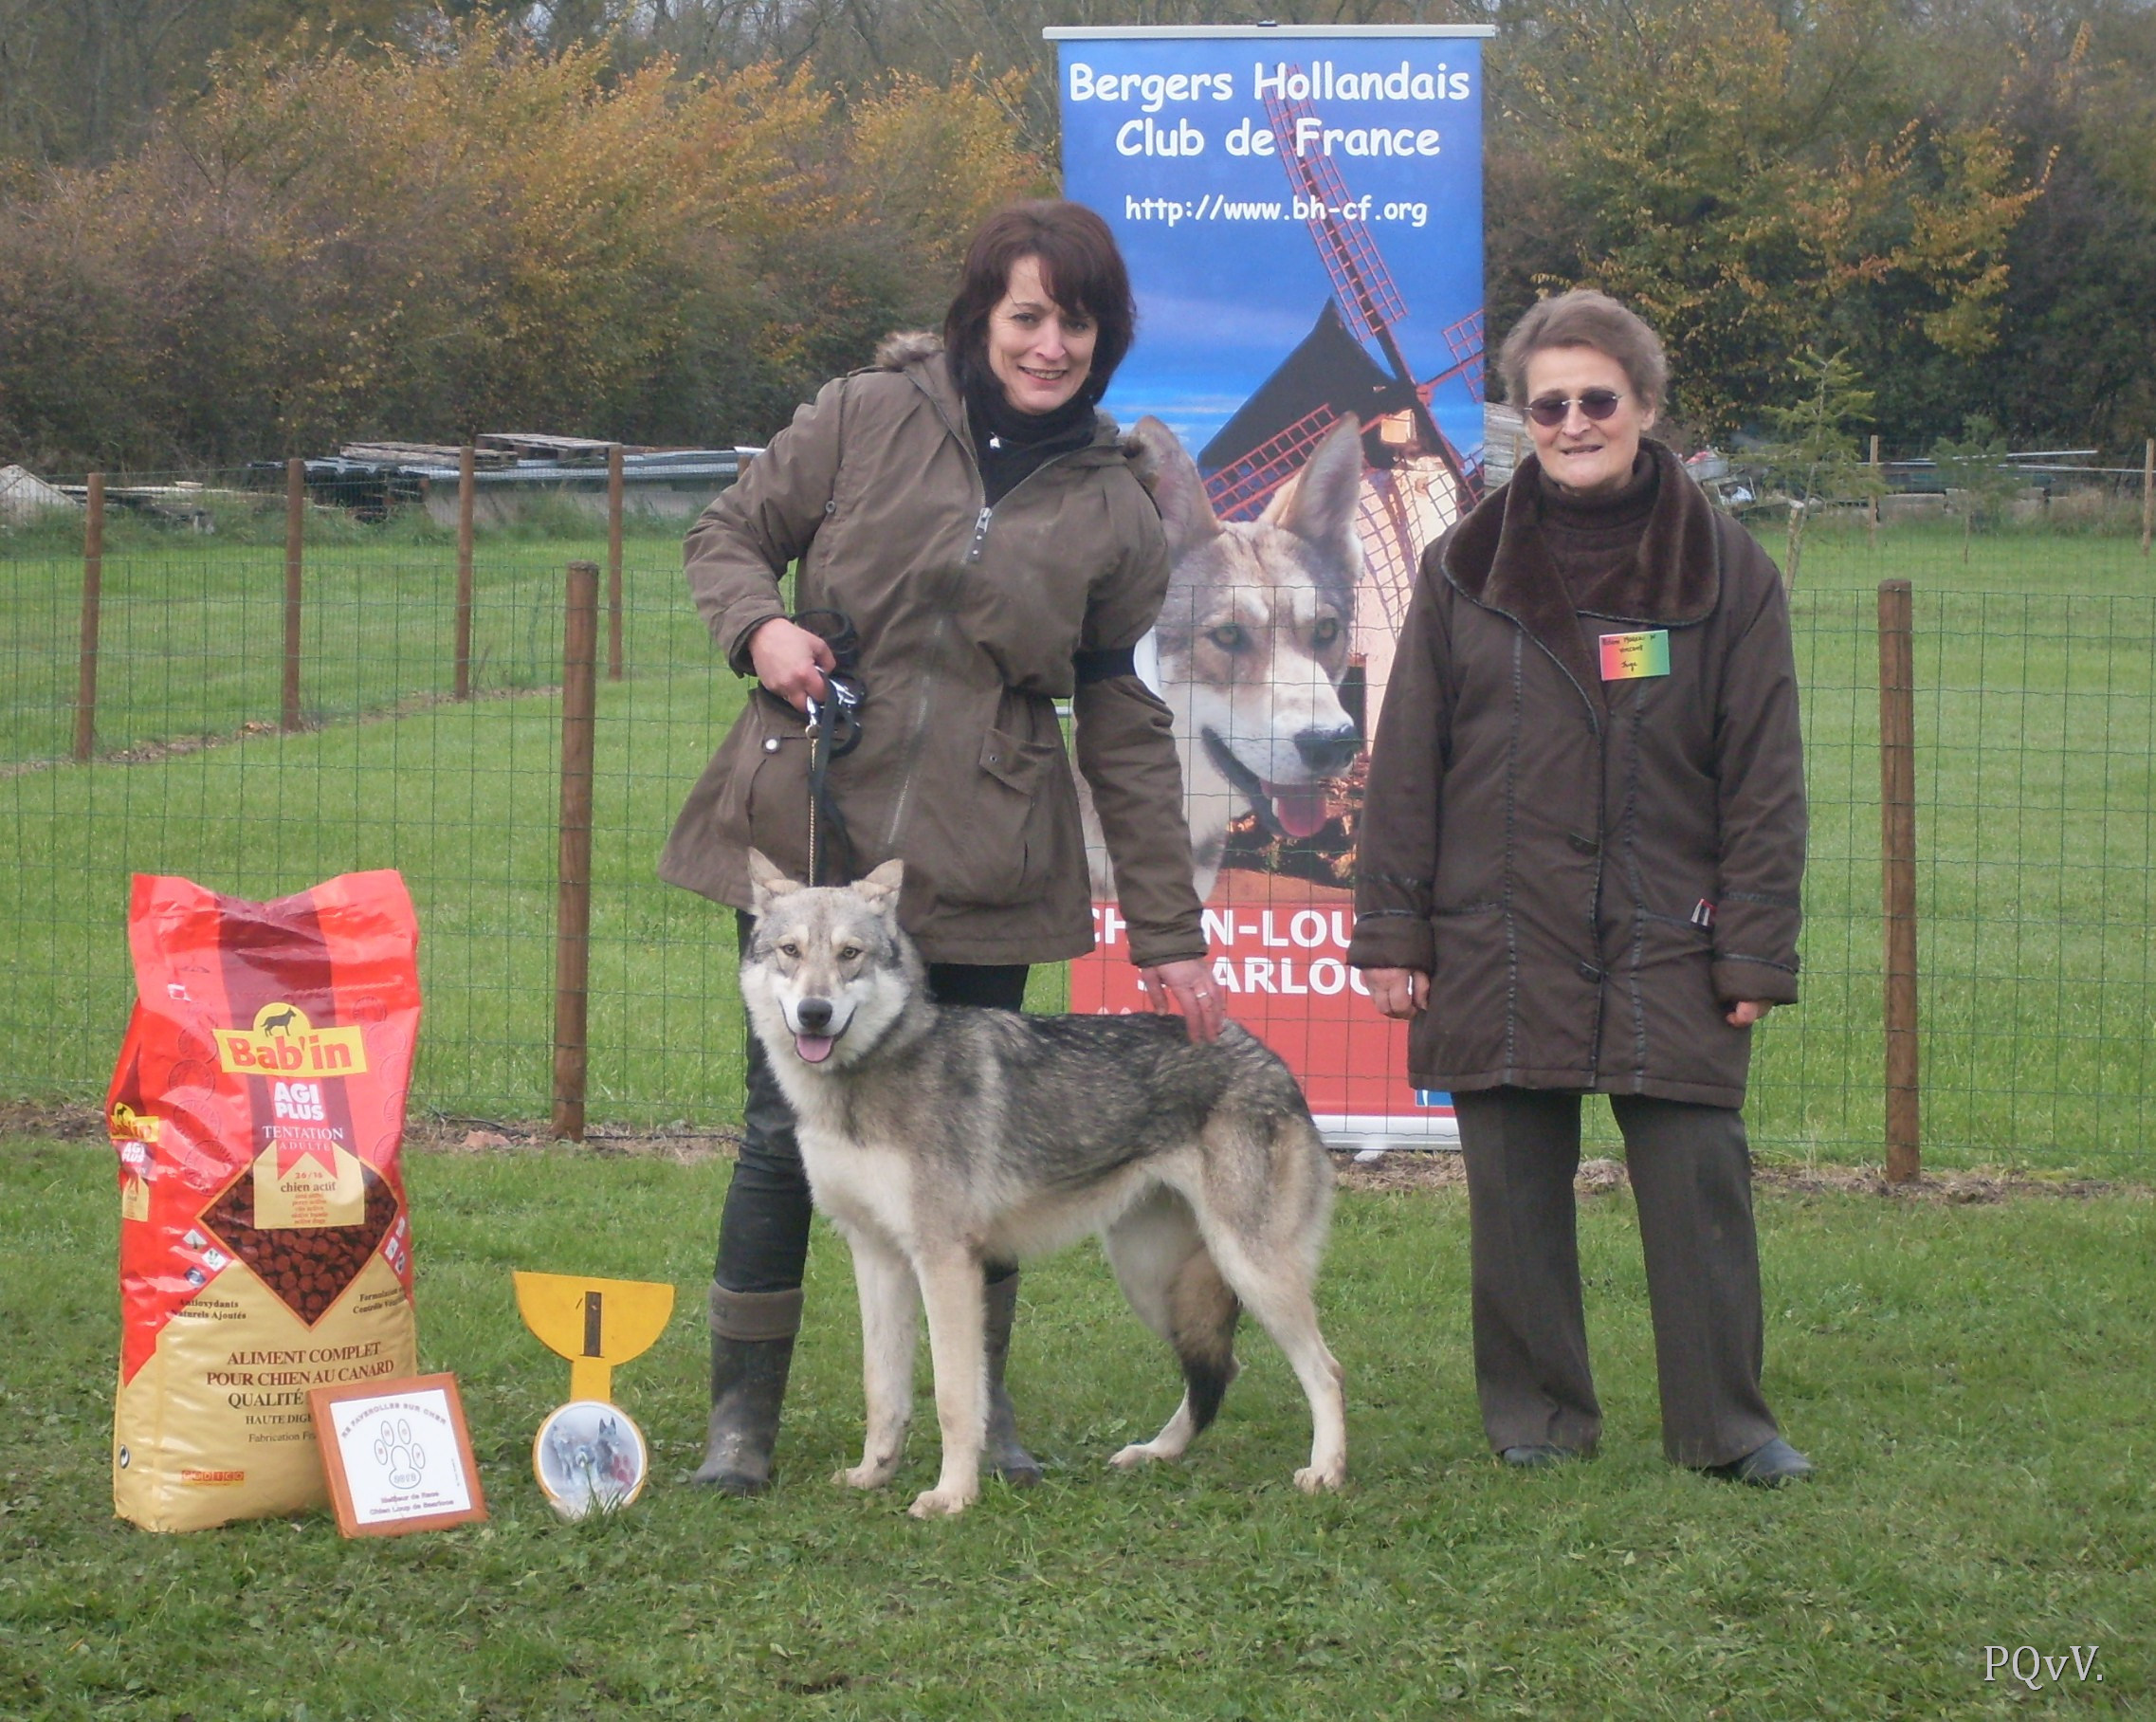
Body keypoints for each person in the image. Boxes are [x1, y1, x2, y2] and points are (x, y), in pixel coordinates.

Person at [659, 200, 1223, 1494]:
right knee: (773, 1139)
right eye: (1026, 315)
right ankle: (740, 1428)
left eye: (1075, 323)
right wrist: (760, 632)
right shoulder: (865, 412)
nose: (1049, 344)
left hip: (989, 857)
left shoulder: (1115, 507)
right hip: (809, 824)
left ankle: (983, 1423)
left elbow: (1126, 723)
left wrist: (1168, 931)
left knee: (980, 1149)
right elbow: (726, 534)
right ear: (981, 314)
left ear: (1104, 337)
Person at [1348, 289, 1813, 1485]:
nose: (1572, 420)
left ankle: (1728, 1427)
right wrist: (1395, 931)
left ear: (1646, 408)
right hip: (1497, 920)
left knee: (1699, 1174)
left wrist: (1754, 949)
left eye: (1596, 398)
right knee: (1511, 1188)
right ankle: (1537, 1419)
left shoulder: (1731, 569)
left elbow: (1765, 776)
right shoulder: (1462, 566)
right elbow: (1407, 763)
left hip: (1674, 921)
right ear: (1523, 419)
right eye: (1546, 402)